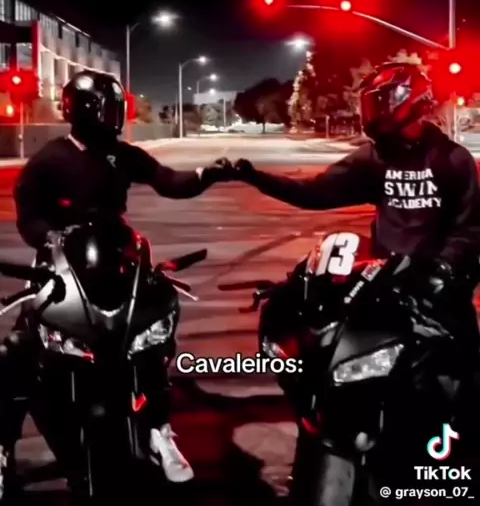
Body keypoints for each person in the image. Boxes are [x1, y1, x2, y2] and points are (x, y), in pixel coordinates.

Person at [0, 70, 231, 497]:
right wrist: (49, 238)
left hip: (117, 261)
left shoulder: (121, 154)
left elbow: (168, 181)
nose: (115, 117)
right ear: (81, 110)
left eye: (117, 108)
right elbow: (29, 215)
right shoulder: (50, 158)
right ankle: (2, 444)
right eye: (107, 109)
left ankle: (159, 430)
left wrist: (206, 174)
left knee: (151, 336)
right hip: (61, 265)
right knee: (17, 351)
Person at [232, 61, 480, 340]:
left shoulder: (453, 160)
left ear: (413, 102)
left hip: (443, 292)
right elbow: (313, 193)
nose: (374, 113)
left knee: (459, 360)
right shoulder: (374, 158)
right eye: (371, 104)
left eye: (381, 103)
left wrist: (443, 269)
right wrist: (254, 177)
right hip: (389, 288)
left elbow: (470, 229)